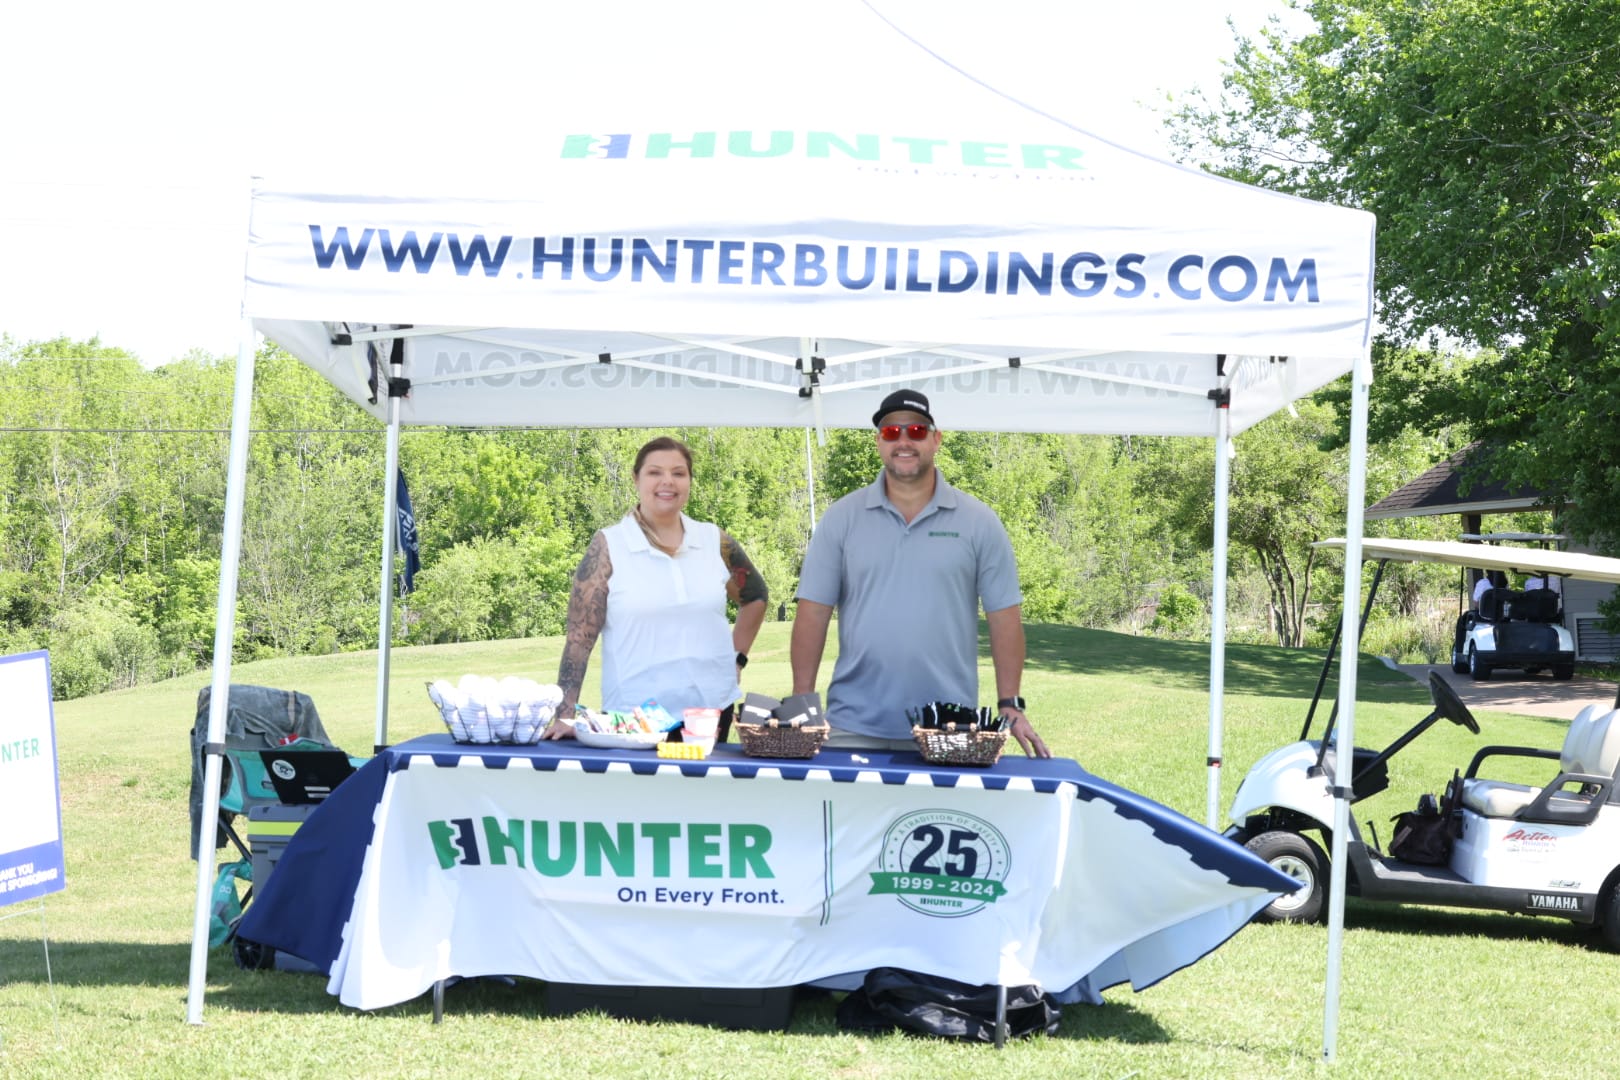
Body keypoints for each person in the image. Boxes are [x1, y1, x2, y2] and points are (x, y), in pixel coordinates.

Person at [789, 389, 1051, 758]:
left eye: (915, 430)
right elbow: (813, 612)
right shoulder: (841, 519)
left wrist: (1010, 703)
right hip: (851, 726)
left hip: (950, 727)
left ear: (936, 439)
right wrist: (802, 700)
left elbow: (1004, 617)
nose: (903, 441)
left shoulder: (979, 522)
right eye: (891, 432)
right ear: (879, 443)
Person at [543, 436, 767, 739]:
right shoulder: (609, 545)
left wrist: (737, 659)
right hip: (634, 718)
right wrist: (564, 715)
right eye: (654, 472)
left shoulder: (713, 540)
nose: (667, 482)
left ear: (689, 480)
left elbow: (755, 596)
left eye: (678, 473)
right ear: (636, 478)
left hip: (709, 713)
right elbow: (580, 637)